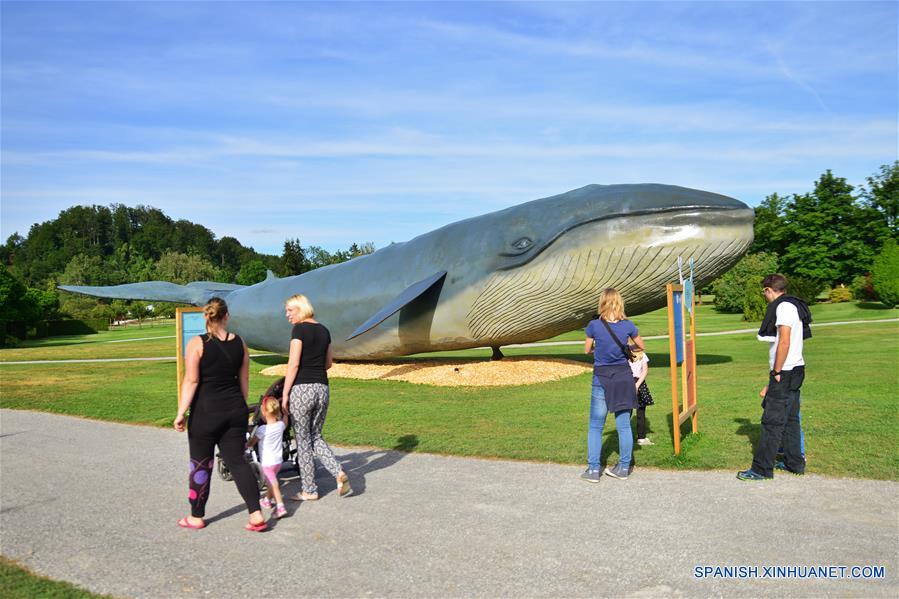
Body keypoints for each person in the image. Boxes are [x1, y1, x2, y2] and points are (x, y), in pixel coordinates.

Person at [174, 297, 267, 531]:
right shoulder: (240, 343)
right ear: (226, 316)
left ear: (206, 317)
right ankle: (256, 514)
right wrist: (240, 405)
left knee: (200, 464)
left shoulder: (196, 344)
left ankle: (196, 516)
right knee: (237, 461)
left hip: (205, 412)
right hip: (234, 409)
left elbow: (192, 380)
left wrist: (181, 412)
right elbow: (244, 379)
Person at [737, 274, 810, 481]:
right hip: (796, 369)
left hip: (785, 371)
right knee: (791, 419)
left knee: (772, 421)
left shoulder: (783, 307)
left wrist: (776, 371)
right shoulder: (793, 304)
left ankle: (761, 469)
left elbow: (784, 342)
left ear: (769, 290)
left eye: (764, 292)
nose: (765, 296)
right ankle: (794, 463)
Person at [281, 294, 352, 500]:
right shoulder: (324, 330)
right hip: (322, 388)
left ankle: (309, 490)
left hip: (302, 389)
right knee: (316, 436)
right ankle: (338, 472)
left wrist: (285, 393)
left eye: (290, 310)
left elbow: (293, 364)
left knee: (303, 441)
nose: (287, 315)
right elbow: (328, 362)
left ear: (301, 308)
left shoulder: (299, 330)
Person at [581, 288, 645, 482]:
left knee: (595, 425)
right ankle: (624, 468)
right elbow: (641, 346)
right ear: (619, 302)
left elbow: (586, 350)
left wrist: (598, 349)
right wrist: (627, 348)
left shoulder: (594, 325)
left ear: (602, 302)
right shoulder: (628, 325)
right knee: (624, 425)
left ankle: (593, 470)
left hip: (601, 377)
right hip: (623, 378)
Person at [249, 396, 288, 518]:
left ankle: (280, 506)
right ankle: (266, 500)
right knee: (272, 483)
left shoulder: (262, 429)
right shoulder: (280, 426)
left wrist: (247, 444)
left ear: (264, 412)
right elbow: (285, 422)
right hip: (278, 462)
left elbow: (252, 442)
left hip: (267, 462)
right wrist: (285, 413)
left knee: (273, 484)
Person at [630, 346, 655, 446]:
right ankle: (641, 438)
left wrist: (635, 385)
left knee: (627, 412)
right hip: (639, 383)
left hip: (629, 383)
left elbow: (644, 371)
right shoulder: (642, 355)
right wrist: (637, 384)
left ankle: (626, 437)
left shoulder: (625, 355)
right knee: (640, 413)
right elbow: (644, 372)